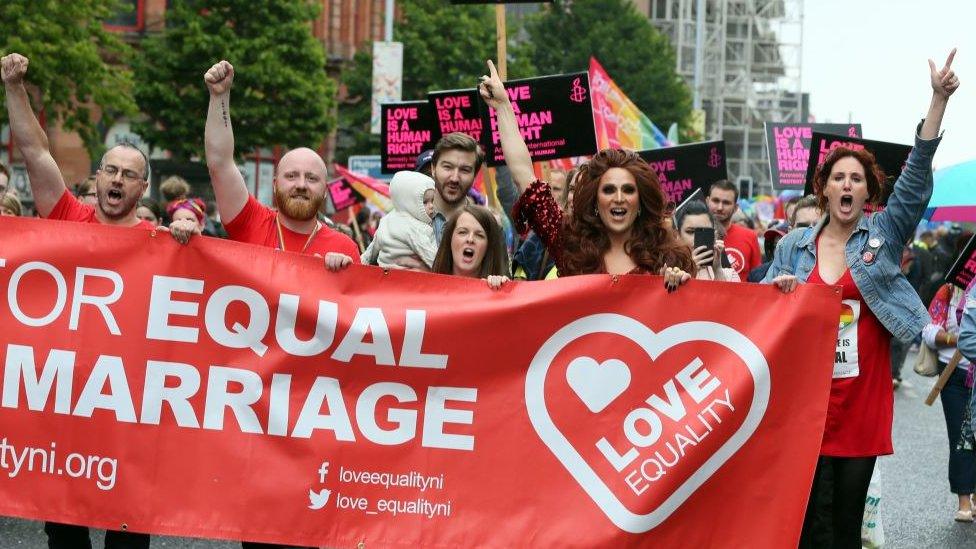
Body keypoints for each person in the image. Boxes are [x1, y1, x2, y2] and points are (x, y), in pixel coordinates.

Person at [2, 50, 204, 549]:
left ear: (143, 186)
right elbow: (36, 151)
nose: (115, 180)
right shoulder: (68, 217)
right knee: (66, 541)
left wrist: (190, 235)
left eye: (127, 174)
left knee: (127, 542)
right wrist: (12, 88)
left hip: (130, 425)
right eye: (108, 170)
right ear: (96, 178)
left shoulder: (163, 242)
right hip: (70, 418)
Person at [764, 49, 959, 548]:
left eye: (856, 178)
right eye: (838, 178)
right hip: (802, 401)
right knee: (805, 525)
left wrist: (936, 101)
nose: (846, 184)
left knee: (847, 526)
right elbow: (761, 310)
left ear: (866, 189)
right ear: (823, 189)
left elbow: (913, 184)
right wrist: (778, 291)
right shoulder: (792, 246)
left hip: (860, 401)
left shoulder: (882, 236)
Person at [478, 60, 693, 287]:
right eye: (608, 189)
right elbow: (523, 175)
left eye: (628, 190)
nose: (618, 198)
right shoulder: (570, 246)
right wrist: (503, 106)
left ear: (640, 201)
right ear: (595, 200)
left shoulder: (667, 258)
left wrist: (679, 288)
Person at [203, 60, 359, 279]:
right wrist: (219, 96)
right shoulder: (251, 221)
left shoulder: (345, 248)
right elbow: (220, 163)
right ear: (275, 184)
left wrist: (343, 274)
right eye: (291, 176)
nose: (301, 185)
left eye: (312, 178)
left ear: (325, 190)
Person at [922, 261, 975, 522]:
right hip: (954, 374)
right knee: (961, 437)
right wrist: (955, 338)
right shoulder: (949, 289)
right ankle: (964, 499)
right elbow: (928, 329)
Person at [512, 167, 580, 281]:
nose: (549, 193)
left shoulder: (605, 243)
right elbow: (519, 290)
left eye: (557, 189)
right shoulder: (538, 239)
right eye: (572, 190)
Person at [360, 171, 438, 269]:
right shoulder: (416, 228)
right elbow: (434, 260)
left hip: (384, 275)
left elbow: (371, 252)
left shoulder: (385, 221)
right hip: (409, 279)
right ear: (409, 202)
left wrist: (360, 263)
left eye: (432, 200)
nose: (431, 206)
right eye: (425, 202)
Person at [431, 204, 511, 289]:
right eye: (462, 232)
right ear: (450, 239)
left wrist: (503, 290)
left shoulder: (497, 291)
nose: (470, 239)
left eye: (479, 235)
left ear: (488, 247)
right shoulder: (427, 289)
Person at [706, 179, 760, 277]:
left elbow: (757, 278)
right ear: (707, 201)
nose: (720, 207)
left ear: (735, 208)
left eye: (726, 203)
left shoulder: (750, 236)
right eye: (715, 201)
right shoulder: (693, 234)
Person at [674, 200, 739, 282]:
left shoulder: (730, 275)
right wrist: (691, 269)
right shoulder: (669, 273)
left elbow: (727, 295)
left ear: (714, 235)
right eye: (690, 231)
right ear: (677, 235)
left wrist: (717, 270)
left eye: (704, 232)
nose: (696, 238)